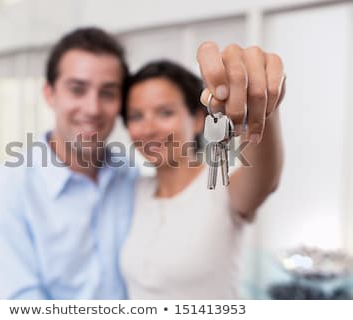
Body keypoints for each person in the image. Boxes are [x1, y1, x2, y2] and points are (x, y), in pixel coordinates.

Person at [0, 26, 285, 299]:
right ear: (50, 94)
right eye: (77, 89)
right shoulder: (1, 192)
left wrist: (263, 109)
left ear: (198, 118)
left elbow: (264, 179)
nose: (92, 108)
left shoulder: (133, 177)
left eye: (107, 93)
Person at [119, 58, 285, 299]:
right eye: (136, 116)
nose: (148, 129)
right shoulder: (136, 190)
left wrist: (261, 103)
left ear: (198, 119)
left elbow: (265, 178)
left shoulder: (222, 185)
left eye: (165, 112)